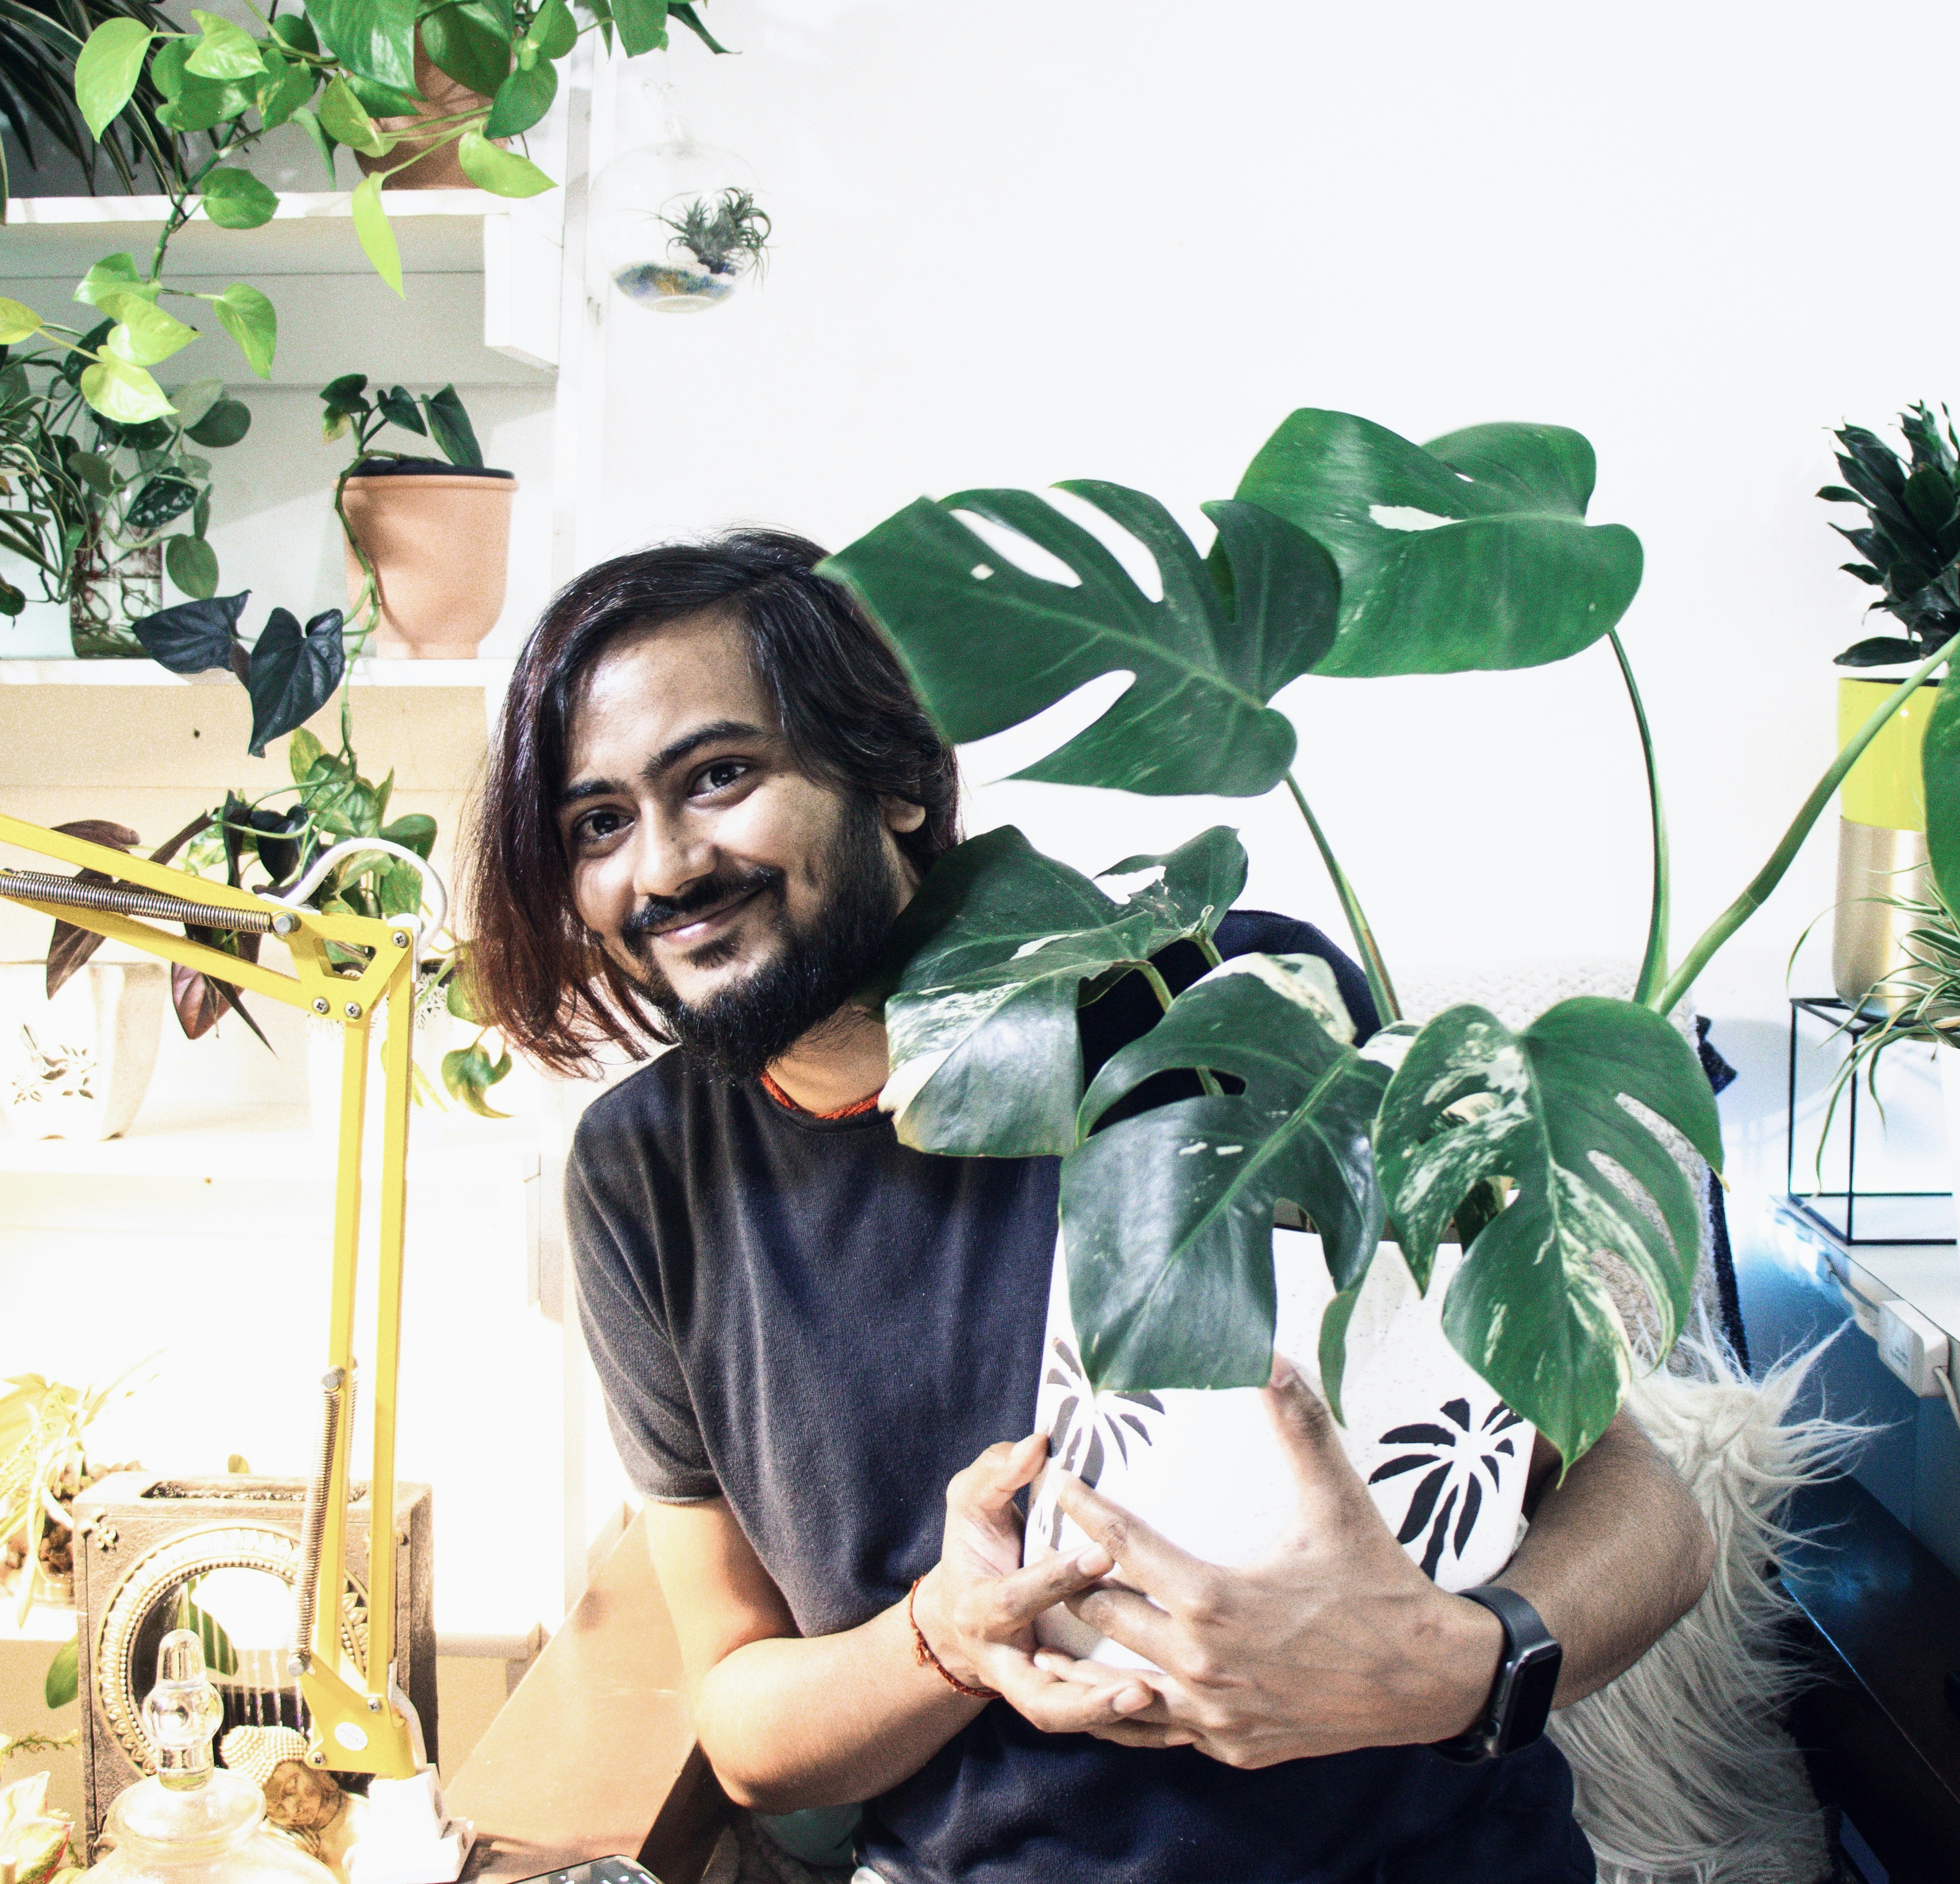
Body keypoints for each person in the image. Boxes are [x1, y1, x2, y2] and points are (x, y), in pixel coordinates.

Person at [464, 531, 1714, 1883]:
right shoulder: (643, 1174)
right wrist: (944, 1638)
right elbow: (746, 1721)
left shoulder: (1234, 1009)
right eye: (599, 822)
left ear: (890, 780)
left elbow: (1635, 1503)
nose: (661, 870)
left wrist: (1446, 1668)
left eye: (717, 776)